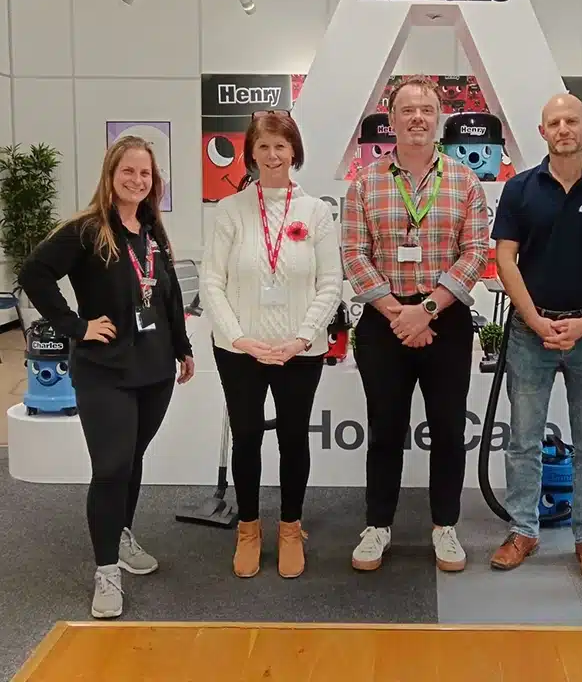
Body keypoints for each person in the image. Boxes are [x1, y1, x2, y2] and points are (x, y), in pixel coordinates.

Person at [18, 135, 195, 619]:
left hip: (154, 368)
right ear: (111, 176)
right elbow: (34, 274)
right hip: (105, 371)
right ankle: (106, 571)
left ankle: (120, 532)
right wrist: (76, 326)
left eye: (146, 174)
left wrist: (182, 347)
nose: (138, 180)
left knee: (133, 457)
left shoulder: (153, 231)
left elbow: (167, 294)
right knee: (112, 466)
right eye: (129, 172)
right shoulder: (87, 230)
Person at [341, 75, 489, 573]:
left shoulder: (465, 181)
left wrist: (424, 311)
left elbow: (475, 254)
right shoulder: (365, 183)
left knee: (449, 430)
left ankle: (445, 526)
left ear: (439, 117)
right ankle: (377, 525)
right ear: (391, 119)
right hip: (384, 324)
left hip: (444, 321)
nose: (418, 118)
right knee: (384, 429)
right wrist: (397, 313)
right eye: (408, 110)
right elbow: (354, 256)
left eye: (427, 109)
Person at [489, 92, 582, 581]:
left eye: (571, 120)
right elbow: (505, 259)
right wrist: (532, 318)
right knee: (523, 441)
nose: (564, 128)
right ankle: (522, 531)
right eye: (554, 121)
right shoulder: (520, 189)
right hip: (531, 333)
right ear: (542, 132)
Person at [201, 111, 342, 580]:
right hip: (240, 350)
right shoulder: (229, 211)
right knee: (246, 438)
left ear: (294, 151)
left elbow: (330, 283)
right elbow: (212, 283)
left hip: (298, 351)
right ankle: (247, 529)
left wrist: (301, 338)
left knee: (292, 438)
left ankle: (288, 528)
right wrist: (240, 338)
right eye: (263, 146)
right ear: (252, 153)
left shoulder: (317, 213)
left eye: (281, 146)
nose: (273, 154)